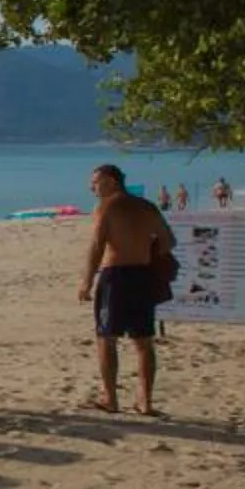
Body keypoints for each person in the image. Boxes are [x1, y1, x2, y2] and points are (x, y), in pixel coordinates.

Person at [78, 163, 172, 415]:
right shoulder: (147, 206)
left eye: (95, 182)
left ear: (110, 181)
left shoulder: (106, 207)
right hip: (143, 275)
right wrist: (144, 248)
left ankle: (110, 397)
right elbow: (168, 241)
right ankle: (145, 401)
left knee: (106, 337)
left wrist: (86, 281)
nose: (91, 187)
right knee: (143, 341)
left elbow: (97, 246)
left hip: (116, 277)